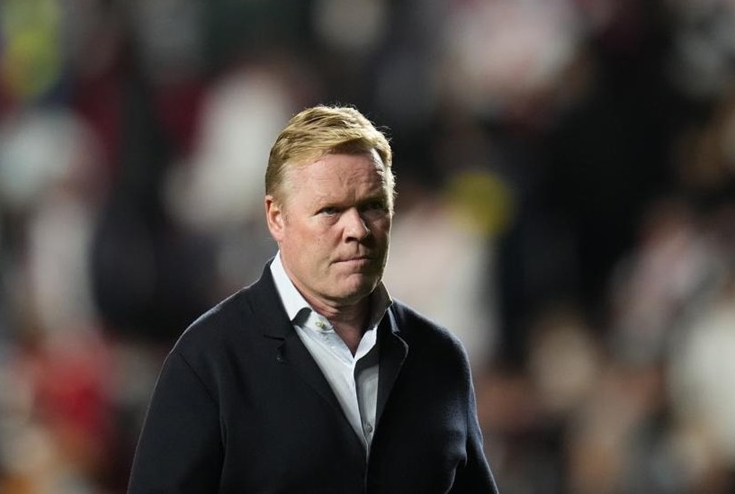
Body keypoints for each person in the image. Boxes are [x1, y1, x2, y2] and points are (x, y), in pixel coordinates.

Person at [127, 105, 499, 493]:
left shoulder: (438, 358)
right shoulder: (209, 362)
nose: (356, 229)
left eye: (372, 206)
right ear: (276, 218)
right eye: (330, 211)